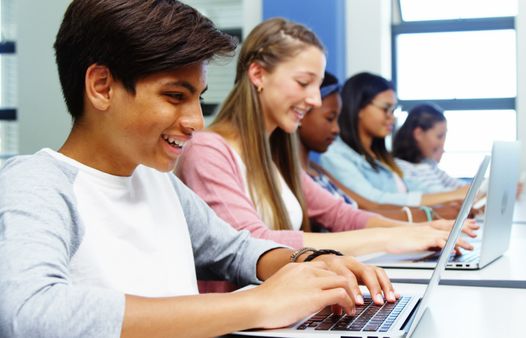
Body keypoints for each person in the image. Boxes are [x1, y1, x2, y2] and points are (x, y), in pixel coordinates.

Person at [0, 2, 400, 337]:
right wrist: (256, 305)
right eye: (175, 96)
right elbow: (31, 310)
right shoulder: (37, 182)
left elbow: (238, 249)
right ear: (102, 86)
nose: (196, 121)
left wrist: (308, 262)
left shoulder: (160, 183)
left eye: (198, 99)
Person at [175, 18, 477, 260]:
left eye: (317, 87)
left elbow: (341, 215)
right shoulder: (207, 150)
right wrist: (394, 237)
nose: (315, 101)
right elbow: (254, 243)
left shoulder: (274, 153)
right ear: (257, 74)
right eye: (304, 83)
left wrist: (423, 229)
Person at [298, 72, 463, 221]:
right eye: (385, 109)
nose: (391, 118)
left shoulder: (382, 158)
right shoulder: (333, 157)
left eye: (393, 110)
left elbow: (416, 189)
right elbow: (371, 204)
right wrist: (431, 213)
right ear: (359, 108)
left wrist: (450, 201)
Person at [392, 103, 468, 193]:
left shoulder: (429, 165)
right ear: (418, 134)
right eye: (439, 136)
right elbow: (429, 194)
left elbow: (461, 185)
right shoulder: (400, 167)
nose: (442, 143)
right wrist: (459, 193)